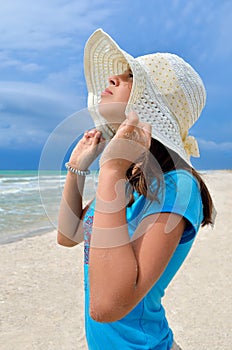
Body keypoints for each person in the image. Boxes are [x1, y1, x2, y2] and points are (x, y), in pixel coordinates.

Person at [57, 29, 215, 350]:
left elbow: (106, 306)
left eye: (129, 77)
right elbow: (69, 234)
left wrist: (110, 170)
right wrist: (77, 169)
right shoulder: (132, 181)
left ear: (152, 104)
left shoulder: (178, 186)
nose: (113, 79)